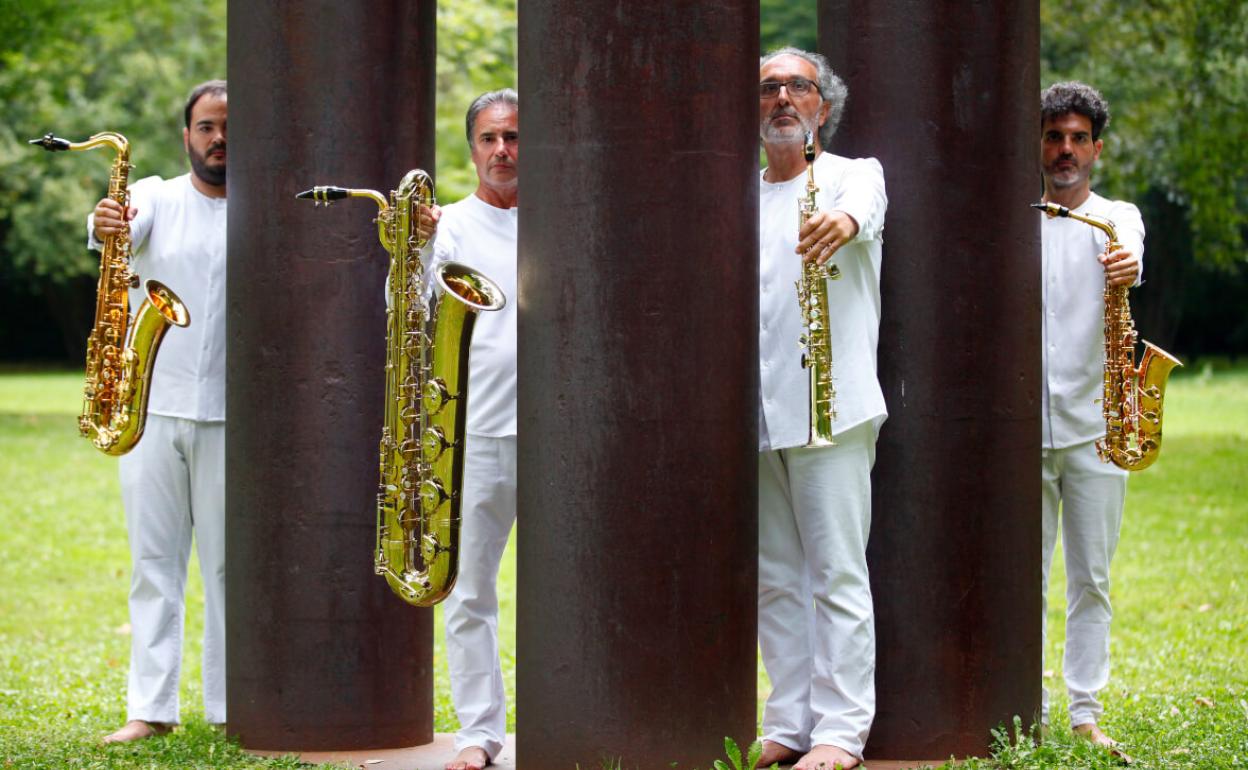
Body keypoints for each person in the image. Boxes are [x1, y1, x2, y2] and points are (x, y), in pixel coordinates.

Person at [754, 48, 887, 770]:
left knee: (836, 572)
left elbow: (861, 209)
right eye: (769, 88)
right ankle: (789, 721)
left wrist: (840, 220)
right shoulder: (741, 194)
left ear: (822, 107)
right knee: (776, 577)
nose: (782, 98)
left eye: (797, 87)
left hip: (831, 410)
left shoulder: (852, 175)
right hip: (760, 413)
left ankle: (841, 731)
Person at [87, 80, 229, 744]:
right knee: (153, 565)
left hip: (232, 415)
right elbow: (116, 223)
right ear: (187, 136)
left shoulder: (266, 208)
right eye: (206, 127)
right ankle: (150, 708)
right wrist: (104, 221)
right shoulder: (154, 194)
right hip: (148, 411)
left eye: (228, 127)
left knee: (228, 569)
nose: (219, 138)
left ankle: (230, 706)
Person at [1037, 81, 1142, 762]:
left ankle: (1085, 714)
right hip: (1022, 431)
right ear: (1039, 145)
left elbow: (1129, 251)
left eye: (1078, 139)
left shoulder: (1118, 217)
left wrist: (1127, 265)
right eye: (1054, 137)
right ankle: (1021, 704)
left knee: (1092, 580)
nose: (1066, 150)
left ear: (1097, 150)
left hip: (1100, 427)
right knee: (1024, 582)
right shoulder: (1012, 217)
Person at [420, 89, 519, 770]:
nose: (502, 151)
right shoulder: (448, 224)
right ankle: (478, 734)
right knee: (468, 592)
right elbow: (409, 308)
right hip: (473, 432)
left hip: (557, 437)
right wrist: (418, 245)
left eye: (513, 137)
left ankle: (562, 721)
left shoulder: (562, 217)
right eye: (489, 138)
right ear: (472, 148)